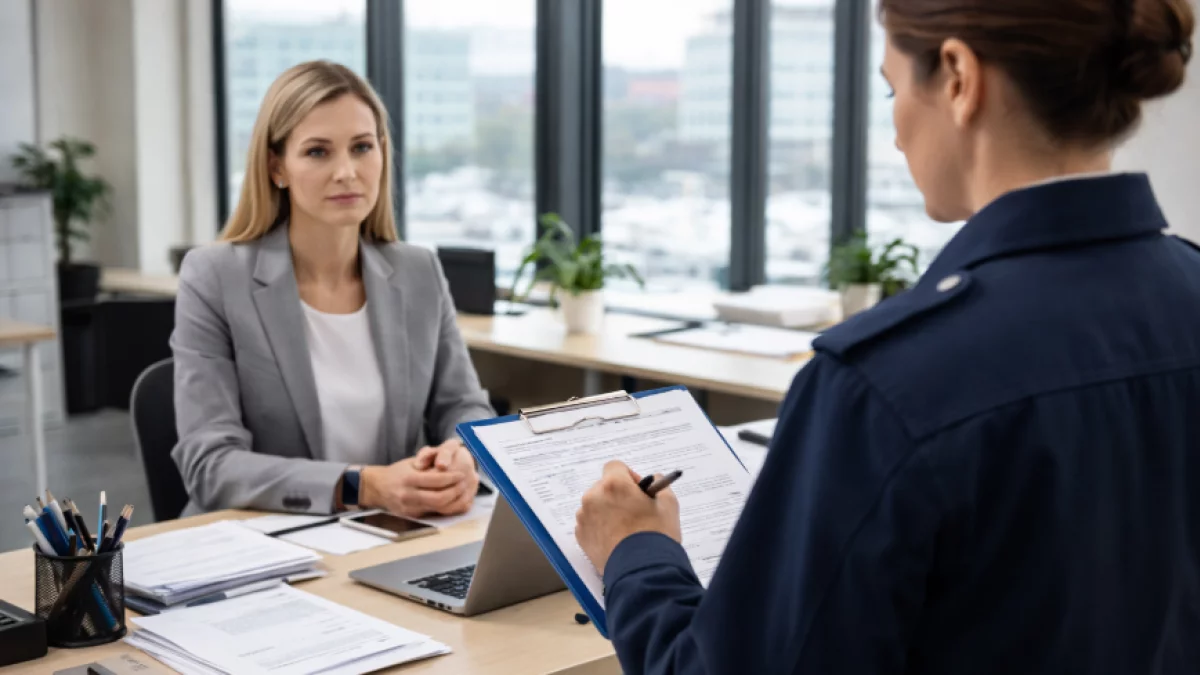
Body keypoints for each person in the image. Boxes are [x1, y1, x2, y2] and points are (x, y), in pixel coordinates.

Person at [575, 0, 1199, 672]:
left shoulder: (887, 382)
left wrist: (635, 550)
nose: (897, 132)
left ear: (959, 77)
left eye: (892, 88)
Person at [171, 61, 491, 517]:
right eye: (318, 152)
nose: (346, 171)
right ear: (276, 166)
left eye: (362, 147)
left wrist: (464, 456)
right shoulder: (214, 277)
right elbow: (211, 464)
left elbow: (464, 406)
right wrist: (363, 485)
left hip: (390, 535)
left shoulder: (419, 271)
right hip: (263, 545)